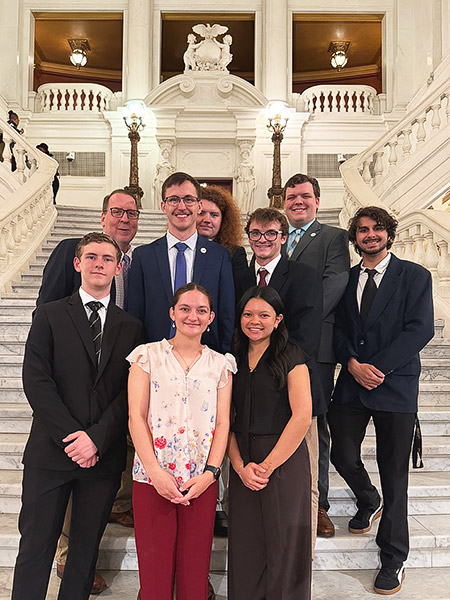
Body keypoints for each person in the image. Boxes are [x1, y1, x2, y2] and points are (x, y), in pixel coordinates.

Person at [11, 232, 144, 600]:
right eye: (91, 257)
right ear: (77, 263)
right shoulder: (50, 315)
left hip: (101, 457)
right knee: (36, 548)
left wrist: (96, 438)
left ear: (118, 267)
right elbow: (36, 381)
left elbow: (128, 393)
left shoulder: (131, 327)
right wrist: (73, 437)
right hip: (51, 453)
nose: (99, 263)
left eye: (106, 258)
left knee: (84, 555)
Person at [329, 206, 434, 595]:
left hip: (396, 386)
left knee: (395, 475)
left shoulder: (415, 276)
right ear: (354, 238)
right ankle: (366, 498)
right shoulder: (348, 279)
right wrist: (353, 364)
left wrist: (380, 368)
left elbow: (419, 329)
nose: (369, 235)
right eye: (362, 230)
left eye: (376, 229)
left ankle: (393, 558)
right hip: (353, 384)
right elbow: (338, 329)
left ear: (389, 234)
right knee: (340, 453)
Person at [127, 282, 236, 600]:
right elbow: (136, 417)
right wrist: (156, 473)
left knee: (195, 573)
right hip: (151, 479)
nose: (193, 316)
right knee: (155, 572)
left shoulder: (221, 365)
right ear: (172, 313)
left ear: (211, 317)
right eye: (185, 308)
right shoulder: (146, 357)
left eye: (201, 310)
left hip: (200, 481)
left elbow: (224, 422)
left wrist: (210, 474)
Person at [227, 286, 312, 600]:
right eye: (248, 314)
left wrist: (266, 466)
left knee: (283, 545)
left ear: (278, 320)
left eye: (264, 315)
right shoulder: (233, 357)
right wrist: (238, 466)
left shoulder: (291, 355)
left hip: (282, 460)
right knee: (246, 545)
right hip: (242, 461)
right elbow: (226, 419)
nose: (254, 321)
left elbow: (302, 415)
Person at [282, 173, 350, 538]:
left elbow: (335, 285)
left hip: (313, 349)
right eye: (292, 196)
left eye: (305, 196)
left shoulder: (332, 238)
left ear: (317, 201)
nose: (298, 201)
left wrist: (288, 324)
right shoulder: (274, 236)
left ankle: (318, 505)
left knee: (314, 428)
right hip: (272, 348)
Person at [128, 172, 235, 353]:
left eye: (188, 199)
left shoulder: (219, 256)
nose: (182, 206)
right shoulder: (143, 256)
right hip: (155, 357)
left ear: (199, 205)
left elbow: (226, 314)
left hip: (206, 357)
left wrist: (226, 355)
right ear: (163, 206)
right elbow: (135, 316)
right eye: (174, 200)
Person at [197, 184, 248, 274]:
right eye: (201, 213)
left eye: (214, 215)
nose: (207, 220)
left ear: (223, 220)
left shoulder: (234, 254)